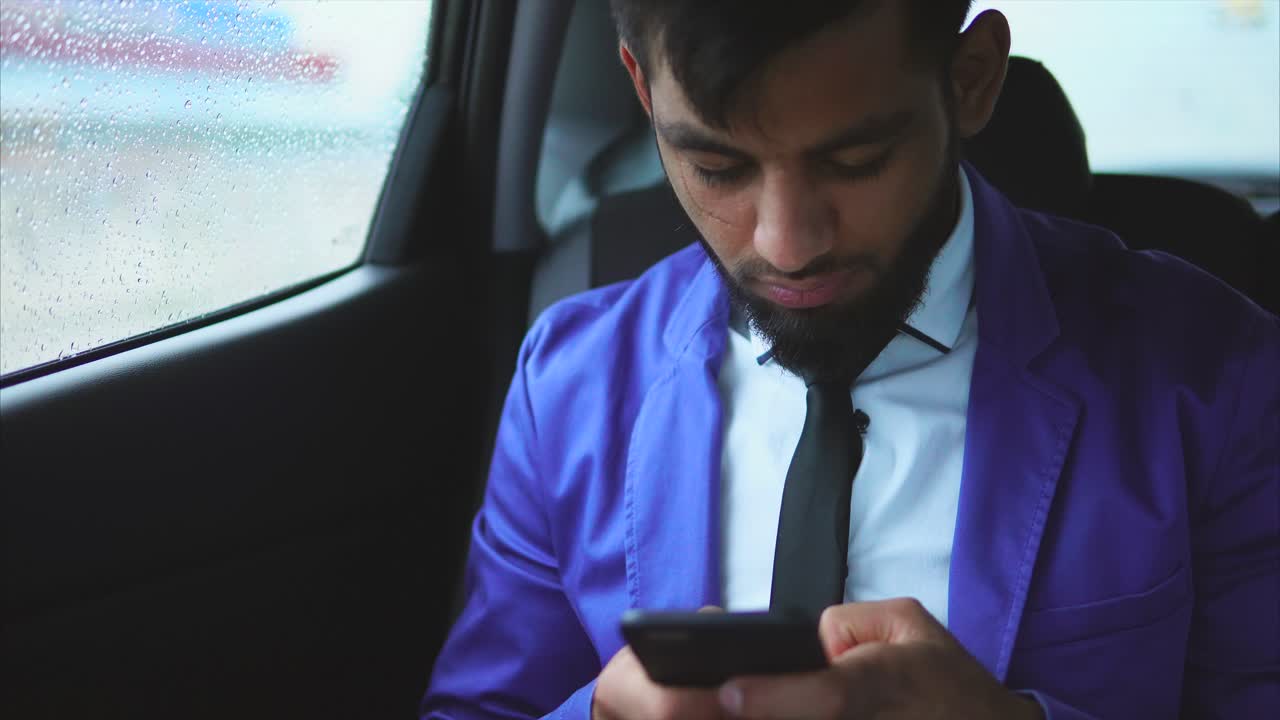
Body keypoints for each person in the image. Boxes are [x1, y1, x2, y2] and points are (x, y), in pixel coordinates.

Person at [423, 1, 1279, 717]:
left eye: (855, 161)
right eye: (717, 166)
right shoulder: (567, 385)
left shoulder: (1215, 379)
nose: (786, 246)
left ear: (971, 79)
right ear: (643, 90)